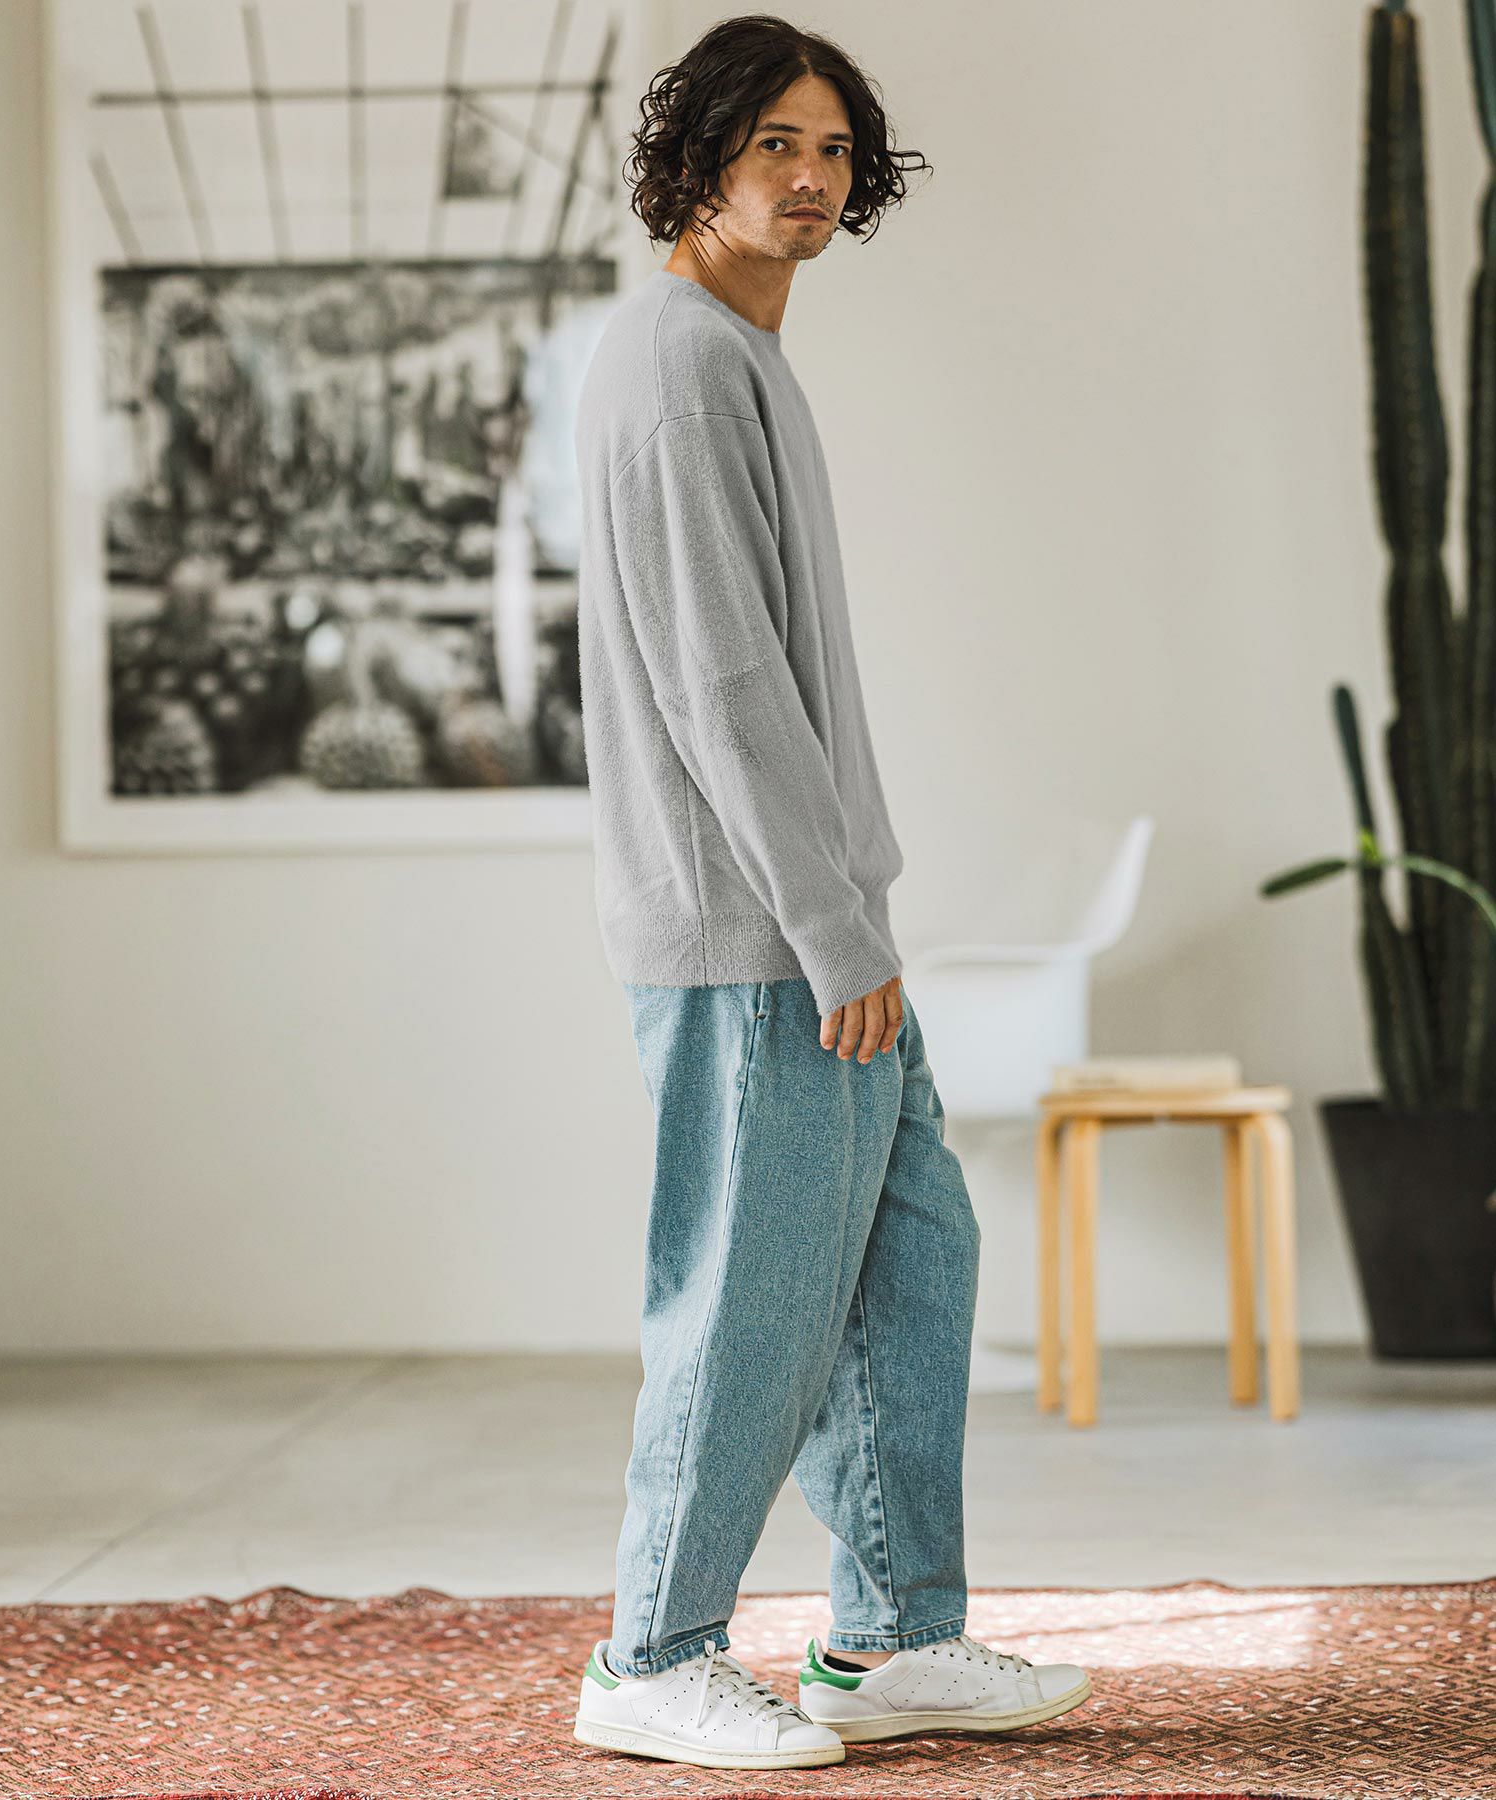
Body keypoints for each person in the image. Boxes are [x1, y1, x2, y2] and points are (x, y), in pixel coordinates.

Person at [571, 14, 1092, 1772]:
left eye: (832, 149)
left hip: (815, 920)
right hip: (759, 938)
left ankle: (890, 1641)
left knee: (909, 1264)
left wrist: (846, 914)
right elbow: (724, 684)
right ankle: (650, 1656)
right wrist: (830, 927)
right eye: (773, 143)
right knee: (751, 1301)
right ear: (697, 158)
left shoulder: (737, 352)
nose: (808, 177)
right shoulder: (676, 365)